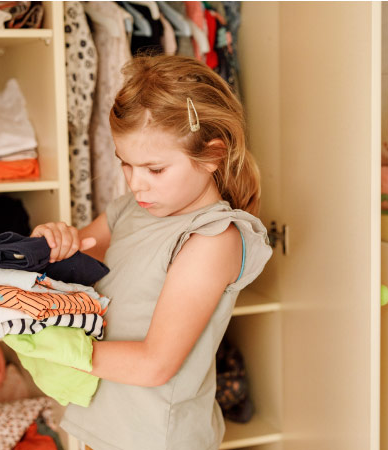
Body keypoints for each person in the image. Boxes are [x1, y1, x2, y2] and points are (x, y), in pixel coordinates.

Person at [31, 54, 272, 450]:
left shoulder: (212, 239)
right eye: (125, 164)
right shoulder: (131, 208)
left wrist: (54, 347)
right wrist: (51, 240)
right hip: (108, 420)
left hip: (158, 437)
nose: (136, 183)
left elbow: (155, 363)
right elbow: (68, 260)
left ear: (212, 155)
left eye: (154, 169)